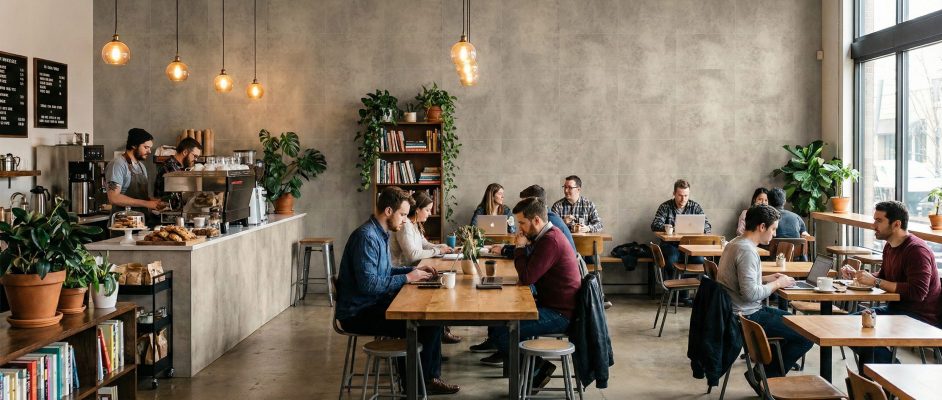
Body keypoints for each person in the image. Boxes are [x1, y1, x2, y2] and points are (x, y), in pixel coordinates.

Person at [335, 186, 460, 395]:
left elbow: (385, 271)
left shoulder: (380, 233)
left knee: (432, 320)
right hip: (358, 312)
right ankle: (417, 386)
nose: (405, 220)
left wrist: (413, 269)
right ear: (388, 211)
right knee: (421, 324)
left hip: (371, 303)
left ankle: (427, 379)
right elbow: (369, 284)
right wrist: (408, 277)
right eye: (402, 214)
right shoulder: (367, 237)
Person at [481, 197, 582, 391]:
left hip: (561, 314)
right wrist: (521, 247)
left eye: (522, 223)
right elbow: (529, 267)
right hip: (551, 305)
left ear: (536, 220)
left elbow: (527, 276)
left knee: (503, 335)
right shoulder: (545, 237)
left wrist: (519, 246)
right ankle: (535, 371)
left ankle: (538, 371)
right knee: (500, 323)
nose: (520, 228)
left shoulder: (550, 240)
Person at [717, 204, 811, 387]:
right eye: (773, 228)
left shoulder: (735, 242)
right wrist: (777, 284)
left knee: (799, 326)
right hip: (748, 316)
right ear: (762, 227)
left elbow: (739, 279)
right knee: (806, 335)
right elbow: (751, 294)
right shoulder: (747, 250)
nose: (774, 234)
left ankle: (765, 373)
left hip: (738, 312)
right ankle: (765, 376)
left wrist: (766, 277)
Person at [842, 201, 941, 364]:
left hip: (918, 317)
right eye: (874, 220)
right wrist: (859, 276)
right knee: (847, 325)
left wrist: (875, 281)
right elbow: (883, 276)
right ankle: (881, 374)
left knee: (855, 330)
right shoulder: (889, 246)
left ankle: (890, 371)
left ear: (896, 224)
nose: (873, 225)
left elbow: (918, 292)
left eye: (879, 221)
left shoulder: (917, 251)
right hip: (896, 310)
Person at [650, 179, 712, 304]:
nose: (683, 199)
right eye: (680, 195)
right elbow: (655, 224)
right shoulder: (665, 206)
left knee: (699, 260)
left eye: (686, 195)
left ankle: (684, 294)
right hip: (670, 245)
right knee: (672, 259)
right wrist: (670, 227)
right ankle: (674, 294)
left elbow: (708, 226)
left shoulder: (695, 207)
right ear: (674, 193)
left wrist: (701, 229)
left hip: (690, 246)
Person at [105, 128, 164, 216]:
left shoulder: (141, 166)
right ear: (134, 145)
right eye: (146, 147)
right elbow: (114, 198)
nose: (149, 151)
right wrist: (146, 203)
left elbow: (138, 197)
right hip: (122, 223)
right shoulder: (118, 164)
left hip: (140, 221)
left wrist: (152, 201)